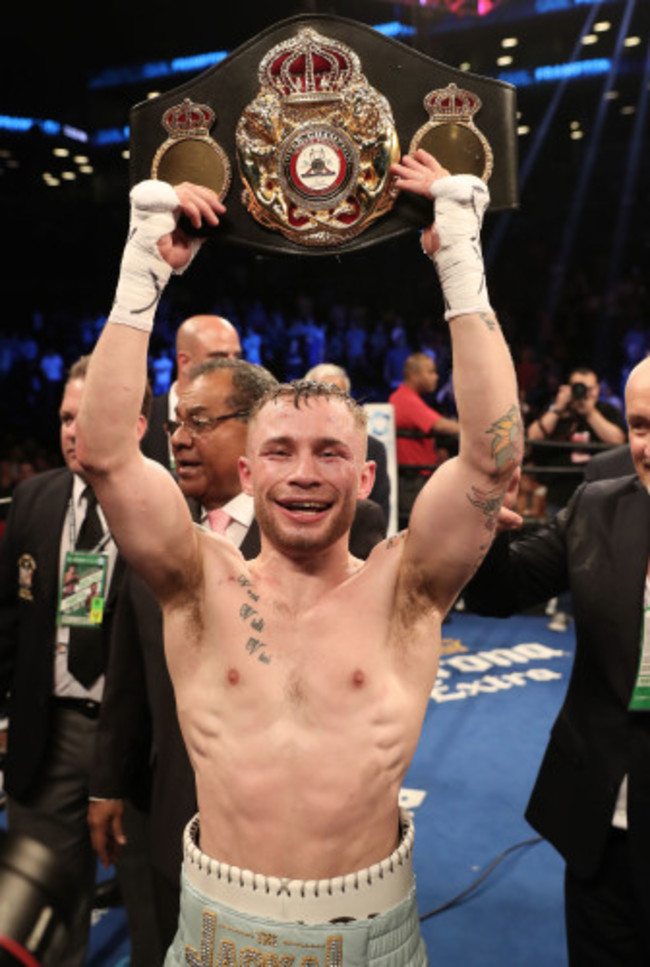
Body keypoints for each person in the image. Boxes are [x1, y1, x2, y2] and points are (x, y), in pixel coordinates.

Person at [76, 150, 521, 964]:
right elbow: (105, 454)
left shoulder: (404, 589)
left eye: (327, 452)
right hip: (215, 925)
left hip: (369, 932)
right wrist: (142, 269)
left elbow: (494, 459)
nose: (305, 473)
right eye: (280, 450)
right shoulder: (198, 582)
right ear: (248, 470)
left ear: (366, 472)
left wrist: (460, 255)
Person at [87, 357, 386, 957]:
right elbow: (129, 676)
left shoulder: (347, 524)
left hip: (306, 855)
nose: (178, 439)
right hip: (168, 809)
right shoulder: (157, 531)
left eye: (199, 421)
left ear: (253, 433)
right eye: (175, 422)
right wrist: (107, 783)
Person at [463, 354, 650, 965]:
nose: (649, 446)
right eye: (643, 426)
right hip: (601, 825)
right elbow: (500, 593)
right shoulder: (599, 504)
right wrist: (491, 519)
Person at [0, 356, 150, 967]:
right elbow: (9, 622)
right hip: (51, 730)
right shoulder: (34, 499)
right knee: (42, 909)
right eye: (65, 417)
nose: (70, 430)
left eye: (85, 418)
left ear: (135, 425)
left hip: (143, 744)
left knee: (152, 903)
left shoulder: (167, 503)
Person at [142, 313, 242, 469]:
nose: (232, 367)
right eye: (219, 357)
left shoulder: (246, 421)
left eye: (236, 356)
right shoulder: (145, 417)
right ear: (185, 361)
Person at [526, 365, 626, 510]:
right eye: (578, 387)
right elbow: (532, 436)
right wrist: (557, 408)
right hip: (560, 493)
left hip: (599, 494)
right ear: (568, 388)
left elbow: (618, 439)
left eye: (588, 388)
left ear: (597, 389)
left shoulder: (606, 411)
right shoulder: (557, 411)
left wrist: (590, 413)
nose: (582, 392)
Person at [305, 362, 391, 526]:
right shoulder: (292, 446)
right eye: (324, 398)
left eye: (340, 397)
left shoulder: (373, 449)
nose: (332, 406)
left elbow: (379, 516)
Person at [389, 351, 460, 528]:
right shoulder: (404, 399)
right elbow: (440, 425)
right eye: (430, 372)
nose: (436, 377)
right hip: (412, 481)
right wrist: (478, 430)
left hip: (418, 478)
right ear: (414, 375)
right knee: (418, 529)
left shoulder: (410, 398)